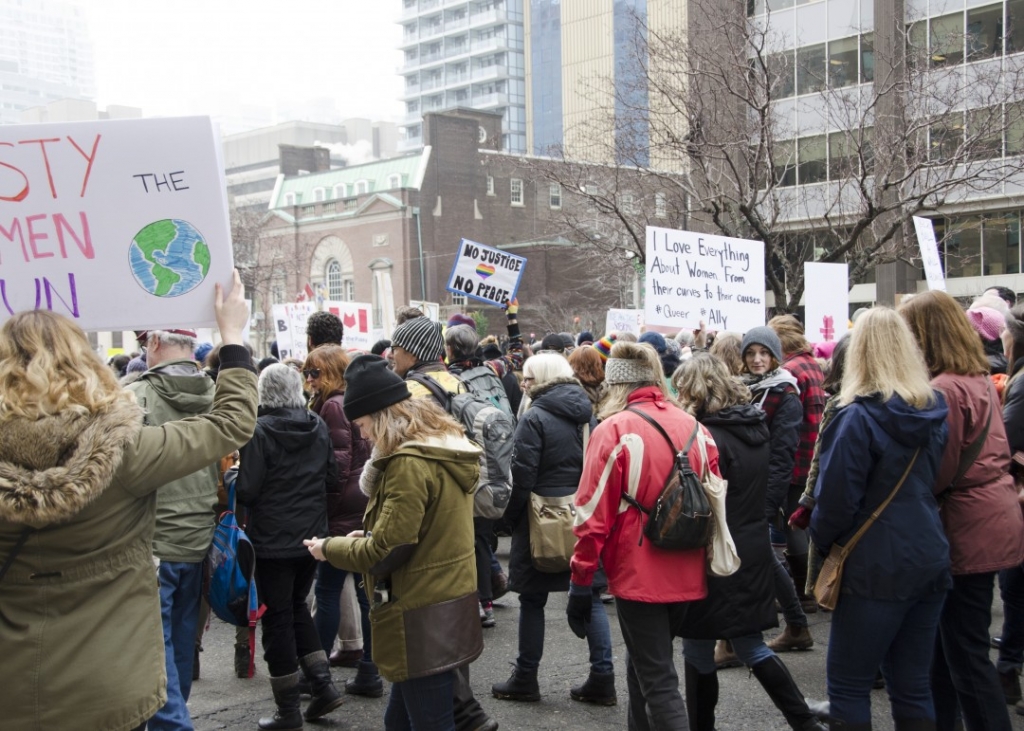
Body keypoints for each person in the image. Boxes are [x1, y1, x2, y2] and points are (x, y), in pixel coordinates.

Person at [0, 271, 257, 731]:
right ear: (84, 364)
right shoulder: (125, 450)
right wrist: (232, 338)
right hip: (109, 686)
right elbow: (231, 423)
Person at [304, 355, 484, 730]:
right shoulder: (438, 444)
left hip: (421, 613)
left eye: (365, 424)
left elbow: (385, 550)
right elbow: (420, 530)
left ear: (382, 416)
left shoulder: (408, 462)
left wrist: (329, 548)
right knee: (402, 720)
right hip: (442, 602)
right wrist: (368, 534)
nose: (364, 434)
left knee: (426, 722)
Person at [810, 307, 952, 731]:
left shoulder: (856, 417)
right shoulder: (934, 407)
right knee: (912, 687)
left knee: (849, 687)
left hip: (875, 564)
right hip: (928, 552)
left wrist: (824, 537)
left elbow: (834, 502)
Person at [568, 341, 717, 729]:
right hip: (689, 565)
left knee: (659, 681)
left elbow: (590, 517)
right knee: (646, 664)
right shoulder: (695, 427)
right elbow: (715, 491)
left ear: (615, 384)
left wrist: (581, 581)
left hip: (639, 573)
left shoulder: (613, 429)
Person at [674, 353, 825, 731]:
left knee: (701, 645)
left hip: (715, 549)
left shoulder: (705, 436)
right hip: (750, 542)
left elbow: (697, 501)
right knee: (747, 644)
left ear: (695, 390)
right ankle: (804, 722)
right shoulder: (753, 425)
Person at [900, 290, 1024, 731]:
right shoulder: (972, 377)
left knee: (965, 654)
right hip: (988, 516)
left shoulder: (945, 388)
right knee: (947, 648)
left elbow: (939, 470)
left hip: (967, 525)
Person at [491, 354, 615, 706]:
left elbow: (523, 477)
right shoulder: (587, 414)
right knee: (589, 596)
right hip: (582, 516)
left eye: (528, 378)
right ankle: (603, 678)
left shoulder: (534, 417)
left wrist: (507, 521)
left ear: (543, 378)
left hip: (539, 519)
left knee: (532, 599)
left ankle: (526, 677)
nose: (524, 384)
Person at [237, 364, 343, 729]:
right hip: (311, 535)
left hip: (272, 539)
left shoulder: (259, 430)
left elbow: (248, 490)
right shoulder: (317, 425)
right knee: (296, 606)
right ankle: (323, 685)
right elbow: (332, 477)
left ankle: (288, 711)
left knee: (278, 617)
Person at [125, 325, 219, 730]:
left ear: (155, 343)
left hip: (153, 541)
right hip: (198, 535)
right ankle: (176, 714)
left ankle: (174, 724)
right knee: (181, 644)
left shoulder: (137, 396)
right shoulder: (215, 396)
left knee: (154, 647)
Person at [302, 344, 380, 697]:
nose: (309, 379)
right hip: (360, 501)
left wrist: (326, 512)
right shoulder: (348, 401)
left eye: (315, 372)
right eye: (307, 373)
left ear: (331, 371)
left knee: (329, 590)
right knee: (364, 593)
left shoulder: (333, 405)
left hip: (342, 507)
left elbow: (338, 465)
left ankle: (316, 675)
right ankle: (370, 671)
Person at [738, 327, 812, 655]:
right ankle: (792, 625)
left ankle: (795, 624)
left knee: (765, 556)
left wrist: (768, 504)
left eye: (763, 354)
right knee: (758, 557)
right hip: (741, 485)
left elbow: (784, 455)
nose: (757, 360)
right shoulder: (744, 389)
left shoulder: (786, 394)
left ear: (774, 356)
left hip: (764, 489)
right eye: (751, 353)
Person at [768, 315, 827, 616]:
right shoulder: (812, 364)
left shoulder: (790, 370)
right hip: (812, 454)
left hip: (796, 456)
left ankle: (804, 596)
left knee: (793, 525)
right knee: (802, 524)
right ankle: (811, 591)